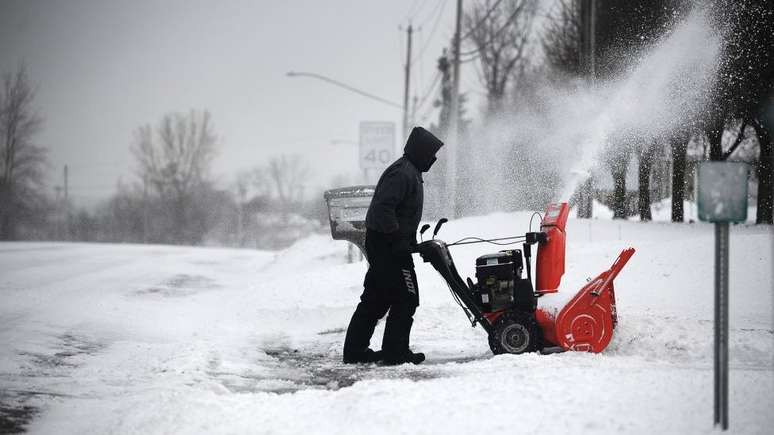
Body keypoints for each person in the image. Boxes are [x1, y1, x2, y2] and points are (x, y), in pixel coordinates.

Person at [343, 126, 443, 365]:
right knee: (406, 298)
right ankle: (395, 352)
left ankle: (356, 352)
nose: (433, 159)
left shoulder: (411, 171)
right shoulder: (402, 173)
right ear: (420, 152)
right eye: (431, 153)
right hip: (387, 246)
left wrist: (408, 240)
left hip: (390, 244)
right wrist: (398, 238)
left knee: (376, 299)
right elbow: (383, 209)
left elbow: (398, 212)